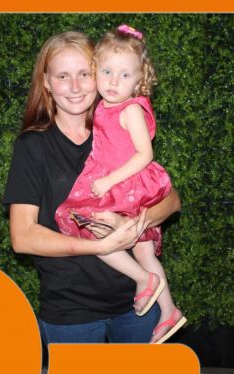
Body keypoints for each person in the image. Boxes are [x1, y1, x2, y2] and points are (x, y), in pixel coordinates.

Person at [3, 31, 181, 344]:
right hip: (71, 309)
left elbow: (171, 201)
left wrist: (129, 224)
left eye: (84, 74)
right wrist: (101, 246)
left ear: (97, 73)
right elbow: (23, 237)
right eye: (62, 76)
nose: (75, 87)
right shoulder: (32, 146)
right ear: (46, 82)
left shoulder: (116, 125)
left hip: (137, 301)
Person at [55, 25, 186, 344]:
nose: (113, 82)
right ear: (96, 71)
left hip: (128, 184)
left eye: (124, 75)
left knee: (85, 223)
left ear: (139, 80)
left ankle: (144, 280)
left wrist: (108, 180)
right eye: (107, 72)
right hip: (120, 183)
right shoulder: (104, 106)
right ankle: (169, 310)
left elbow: (145, 153)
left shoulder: (131, 110)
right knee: (143, 251)